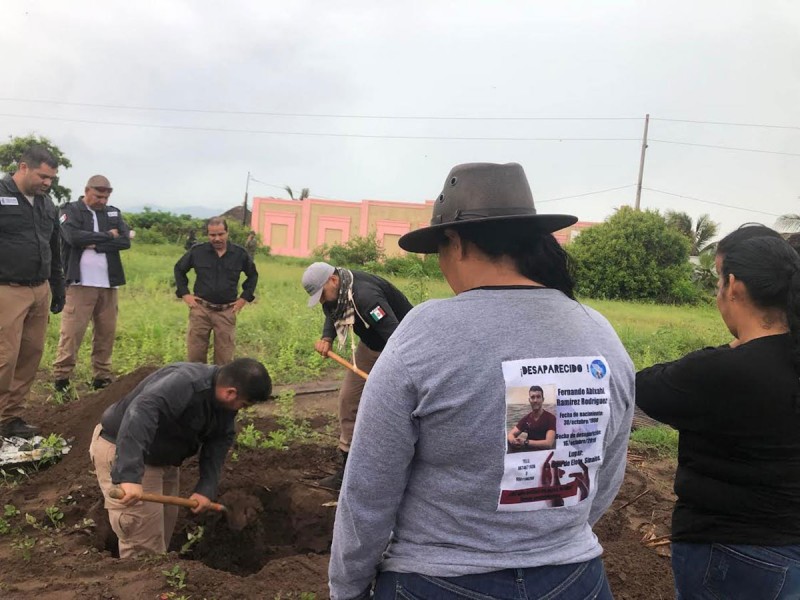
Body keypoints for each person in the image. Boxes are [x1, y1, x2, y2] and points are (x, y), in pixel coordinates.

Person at [328, 162, 634, 600]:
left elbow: (368, 492)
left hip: (439, 582)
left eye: (439, 248)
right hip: (575, 580)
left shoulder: (424, 333)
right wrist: (551, 538)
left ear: (455, 241)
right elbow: (606, 472)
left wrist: (347, 587)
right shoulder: (599, 332)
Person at [636, 224, 800, 599]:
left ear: (735, 287)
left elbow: (642, 386)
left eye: (717, 285)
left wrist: (726, 350)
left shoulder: (720, 371)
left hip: (735, 554)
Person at [89, 358, 272, 557]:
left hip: (164, 459)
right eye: (244, 404)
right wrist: (129, 476)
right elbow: (140, 412)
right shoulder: (184, 383)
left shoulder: (223, 403)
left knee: (161, 534)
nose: (241, 409)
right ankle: (143, 584)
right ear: (230, 393)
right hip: (127, 451)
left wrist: (206, 488)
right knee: (143, 544)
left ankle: (157, 580)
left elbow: (219, 440)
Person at [302, 261, 413, 490]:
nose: (322, 300)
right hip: (371, 346)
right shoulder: (338, 292)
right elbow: (331, 310)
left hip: (401, 349)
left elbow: (396, 337)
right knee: (348, 400)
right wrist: (327, 337)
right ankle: (348, 468)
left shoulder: (366, 297)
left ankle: (398, 468)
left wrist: (388, 377)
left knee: (394, 406)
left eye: (322, 294)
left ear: (332, 280)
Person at [0, 145, 65, 438]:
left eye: (51, 178)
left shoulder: (46, 204)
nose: (47, 183)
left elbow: (54, 247)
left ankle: (10, 418)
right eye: (43, 176)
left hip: (39, 289)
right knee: (5, 357)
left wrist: (58, 286)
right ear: (23, 167)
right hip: (6, 289)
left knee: (31, 354)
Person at [53, 175, 131, 392]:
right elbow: (72, 237)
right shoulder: (70, 210)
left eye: (106, 197)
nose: (102, 201)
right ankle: (62, 378)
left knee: (106, 332)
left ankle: (101, 376)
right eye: (98, 196)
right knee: (72, 331)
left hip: (108, 283)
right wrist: (107, 235)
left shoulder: (113, 212)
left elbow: (125, 240)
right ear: (87, 190)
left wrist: (95, 244)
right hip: (80, 283)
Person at [174, 217, 258, 365]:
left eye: (221, 234)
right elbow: (179, 269)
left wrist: (243, 299)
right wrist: (185, 294)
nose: (217, 238)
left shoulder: (239, 254)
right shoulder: (198, 252)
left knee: (224, 360)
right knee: (195, 357)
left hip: (226, 312)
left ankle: (219, 386)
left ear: (227, 233)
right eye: (212, 235)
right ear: (208, 234)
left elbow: (253, 275)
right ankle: (198, 387)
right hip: (201, 310)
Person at [507, 385, 556, 451]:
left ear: (543, 399)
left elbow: (548, 444)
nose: (535, 400)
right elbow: (511, 434)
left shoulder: (551, 418)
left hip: (544, 454)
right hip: (529, 453)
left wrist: (526, 442)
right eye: (532, 397)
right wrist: (513, 441)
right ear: (529, 400)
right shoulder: (526, 419)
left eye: (538, 397)